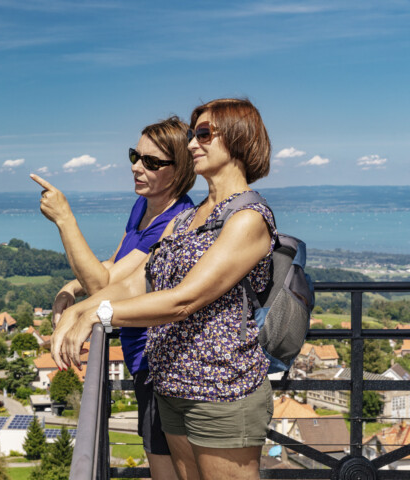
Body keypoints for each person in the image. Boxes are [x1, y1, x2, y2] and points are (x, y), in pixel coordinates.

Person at [51, 98, 275, 480]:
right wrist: (76, 310)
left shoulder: (248, 219)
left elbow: (183, 300)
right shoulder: (190, 218)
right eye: (192, 135)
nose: (192, 144)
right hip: (173, 386)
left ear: (239, 140)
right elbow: (138, 280)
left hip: (221, 390)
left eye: (204, 134)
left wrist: (97, 313)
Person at [31, 116, 196, 480]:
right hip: (143, 361)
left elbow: (105, 285)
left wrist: (66, 221)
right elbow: (113, 270)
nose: (137, 166)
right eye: (135, 155)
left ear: (180, 170)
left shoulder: (176, 221)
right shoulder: (144, 207)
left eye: (152, 162)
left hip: (159, 363)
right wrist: (69, 289)